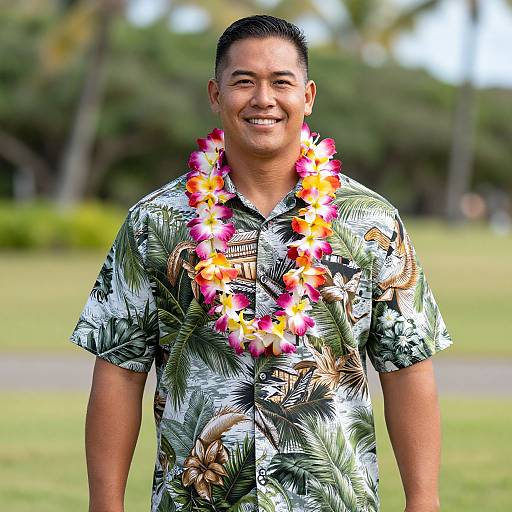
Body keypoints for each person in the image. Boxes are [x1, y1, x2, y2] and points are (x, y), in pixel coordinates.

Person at [69, 14, 453, 512]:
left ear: (308, 96)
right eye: (243, 82)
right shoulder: (155, 223)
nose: (263, 99)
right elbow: (120, 371)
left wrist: (424, 502)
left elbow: (408, 370)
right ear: (215, 94)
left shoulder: (369, 221)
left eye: (281, 82)